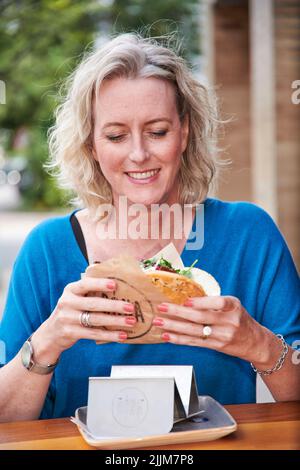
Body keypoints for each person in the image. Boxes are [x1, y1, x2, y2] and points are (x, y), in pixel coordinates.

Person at [0, 33, 299, 422]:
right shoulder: (48, 248)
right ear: (92, 144)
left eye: (158, 131)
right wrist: (49, 340)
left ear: (185, 132)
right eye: (115, 135)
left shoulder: (248, 234)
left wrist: (258, 344)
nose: (139, 154)